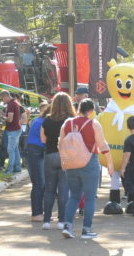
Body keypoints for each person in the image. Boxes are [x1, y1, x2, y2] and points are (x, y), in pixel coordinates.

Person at [61, 99, 114, 240]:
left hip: (71, 164)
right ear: (91, 111)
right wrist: (110, 162)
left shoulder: (67, 123)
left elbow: (60, 144)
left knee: (74, 196)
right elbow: (102, 145)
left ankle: (67, 226)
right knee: (90, 198)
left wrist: (64, 162)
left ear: (78, 109)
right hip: (89, 163)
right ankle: (86, 230)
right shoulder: (94, 124)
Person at [41, 93, 75, 230]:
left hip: (49, 155)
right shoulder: (71, 120)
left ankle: (46, 221)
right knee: (63, 190)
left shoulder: (47, 120)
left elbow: (43, 140)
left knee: (49, 190)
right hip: (66, 156)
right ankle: (61, 221)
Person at [24, 101, 49, 223]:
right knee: (39, 184)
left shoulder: (38, 120)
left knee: (39, 183)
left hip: (33, 151)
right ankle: (36, 213)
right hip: (35, 151)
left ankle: (39, 212)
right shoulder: (44, 122)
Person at [0, 90, 22, 175]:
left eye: (2, 99)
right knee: (15, 149)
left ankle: (9, 169)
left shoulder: (11, 104)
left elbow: (10, 119)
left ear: (5, 96)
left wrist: (3, 118)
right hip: (17, 128)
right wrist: (3, 114)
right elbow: (11, 116)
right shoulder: (13, 103)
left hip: (13, 130)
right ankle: (17, 167)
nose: (2, 101)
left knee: (11, 149)